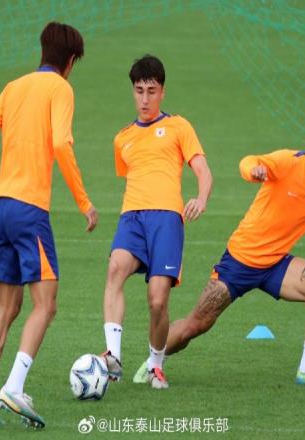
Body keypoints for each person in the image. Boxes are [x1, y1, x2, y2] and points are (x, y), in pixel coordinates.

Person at [133, 116, 305, 386]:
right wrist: (253, 170)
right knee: (194, 326)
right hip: (239, 262)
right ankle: (152, 364)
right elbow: (248, 162)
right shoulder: (287, 162)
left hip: (276, 264)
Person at [0, 22, 97, 428]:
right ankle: (14, 386)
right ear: (71, 61)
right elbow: (61, 143)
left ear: (43, 50)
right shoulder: (60, 89)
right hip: (30, 211)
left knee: (7, 307)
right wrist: (84, 203)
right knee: (47, 304)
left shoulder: (14, 86)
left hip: (2, 207)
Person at [101, 54, 213, 390]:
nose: (145, 99)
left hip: (166, 219)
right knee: (115, 268)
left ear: (162, 92)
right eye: (139, 91)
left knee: (157, 300)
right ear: (133, 92)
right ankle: (113, 356)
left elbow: (203, 170)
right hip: (132, 216)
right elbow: (132, 176)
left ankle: (155, 365)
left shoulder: (179, 126)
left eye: (152, 91)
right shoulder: (122, 138)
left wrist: (201, 198)